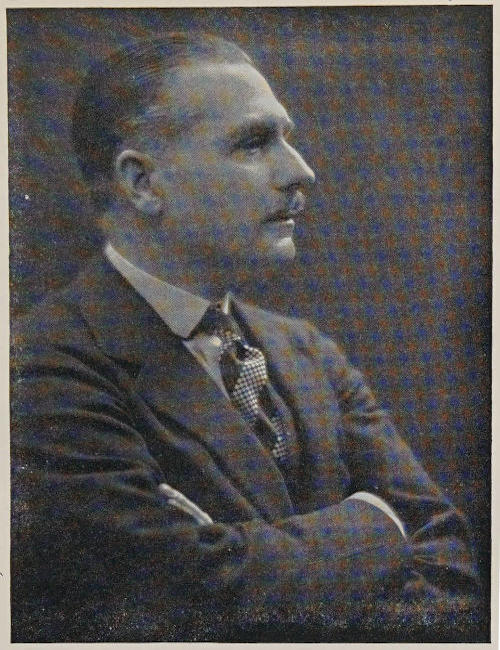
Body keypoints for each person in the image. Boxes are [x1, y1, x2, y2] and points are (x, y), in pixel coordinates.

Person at [11, 32, 479, 642]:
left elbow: (449, 561)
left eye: (286, 137)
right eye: (254, 143)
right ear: (142, 183)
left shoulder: (306, 351)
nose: (300, 171)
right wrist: (378, 527)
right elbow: (175, 603)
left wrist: (245, 556)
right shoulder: (37, 369)